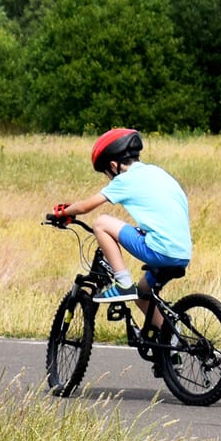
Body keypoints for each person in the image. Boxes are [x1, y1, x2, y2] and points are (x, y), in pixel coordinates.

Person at [50, 128, 190, 336]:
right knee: (142, 293)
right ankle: (171, 339)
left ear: (114, 166)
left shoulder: (124, 179)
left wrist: (62, 212)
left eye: (106, 173)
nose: (109, 179)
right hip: (182, 253)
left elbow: (86, 206)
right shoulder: (157, 173)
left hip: (160, 250)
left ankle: (123, 282)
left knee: (101, 223)